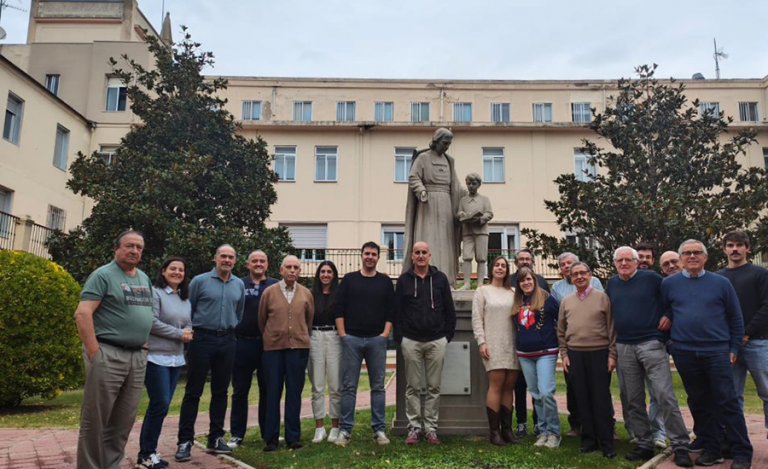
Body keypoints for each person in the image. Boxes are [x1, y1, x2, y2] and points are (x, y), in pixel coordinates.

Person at [661, 239, 753, 469]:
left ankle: (742, 452)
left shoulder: (721, 283)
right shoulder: (669, 284)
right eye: (687, 253)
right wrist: (671, 344)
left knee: (728, 402)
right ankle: (713, 450)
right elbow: (665, 314)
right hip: (685, 352)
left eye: (697, 253)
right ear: (681, 258)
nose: (692, 256)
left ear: (705, 257)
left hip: (716, 351)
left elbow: (736, 317)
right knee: (700, 402)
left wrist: (733, 348)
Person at [74, 230, 153, 469]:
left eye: (139, 247)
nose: (135, 251)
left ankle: (111, 465)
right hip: (107, 354)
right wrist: (94, 352)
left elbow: (144, 313)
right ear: (116, 248)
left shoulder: (143, 278)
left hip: (136, 357)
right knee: (95, 420)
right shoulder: (103, 275)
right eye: (129, 246)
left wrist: (144, 343)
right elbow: (83, 313)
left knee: (123, 421)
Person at [606, 247, 692, 467]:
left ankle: (680, 444)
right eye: (619, 260)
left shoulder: (652, 279)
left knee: (664, 395)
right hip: (624, 344)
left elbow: (673, 301)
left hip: (651, 342)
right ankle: (644, 442)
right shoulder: (612, 283)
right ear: (615, 263)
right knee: (632, 398)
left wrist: (668, 315)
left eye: (628, 260)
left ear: (637, 262)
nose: (624, 263)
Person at [175, 244, 245, 462]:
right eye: (223, 256)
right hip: (202, 339)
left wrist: (229, 329)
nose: (227, 260)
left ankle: (215, 437)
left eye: (231, 257)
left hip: (227, 339)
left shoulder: (239, 284)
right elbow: (189, 309)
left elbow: (239, 312)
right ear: (215, 258)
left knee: (221, 391)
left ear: (235, 260)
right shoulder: (200, 281)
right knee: (193, 391)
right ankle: (184, 441)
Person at [334, 242, 395, 447]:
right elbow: (339, 309)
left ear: (378, 258)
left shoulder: (385, 282)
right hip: (351, 339)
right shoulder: (349, 280)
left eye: (374, 254)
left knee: (378, 387)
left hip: (377, 340)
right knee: (349, 387)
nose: (370, 257)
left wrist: (384, 335)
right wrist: (343, 335)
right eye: (367, 253)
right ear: (361, 255)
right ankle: (345, 430)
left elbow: (390, 311)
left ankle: (379, 430)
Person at [395, 241, 457, 445]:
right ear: (412, 256)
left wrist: (446, 336)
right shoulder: (404, 280)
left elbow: (449, 310)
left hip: (436, 341)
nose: (420, 255)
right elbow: (397, 311)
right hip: (411, 341)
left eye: (424, 252)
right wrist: (401, 337)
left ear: (430, 255)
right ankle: (413, 428)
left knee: (433, 387)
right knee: (412, 387)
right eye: (417, 252)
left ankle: (430, 428)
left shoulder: (440, 279)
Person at [137, 257, 193, 469]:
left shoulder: (184, 298)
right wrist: (180, 334)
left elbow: (189, 320)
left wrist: (187, 331)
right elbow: (152, 323)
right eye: (173, 269)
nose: (177, 272)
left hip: (176, 358)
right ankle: (146, 454)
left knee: (162, 406)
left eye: (181, 269)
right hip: (156, 357)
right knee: (159, 404)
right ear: (163, 271)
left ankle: (149, 452)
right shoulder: (155, 293)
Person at [557, 262, 617, 459]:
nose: (579, 277)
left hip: (599, 353)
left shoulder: (602, 298)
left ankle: (607, 443)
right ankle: (589, 440)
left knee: (601, 399)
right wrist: (564, 355)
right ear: (571, 278)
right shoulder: (566, 301)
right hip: (575, 355)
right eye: (575, 274)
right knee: (582, 398)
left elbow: (611, 328)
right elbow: (561, 331)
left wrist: (611, 354)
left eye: (583, 273)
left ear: (590, 275)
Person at [258, 255, 314, 452]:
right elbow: (262, 320)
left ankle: (293, 437)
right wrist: (272, 336)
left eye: (296, 267)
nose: (292, 270)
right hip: (273, 349)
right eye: (288, 267)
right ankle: (271, 438)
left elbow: (308, 321)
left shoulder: (306, 293)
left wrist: (299, 336)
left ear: (300, 271)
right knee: (272, 392)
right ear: (281, 270)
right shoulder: (269, 292)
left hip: (298, 350)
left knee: (294, 393)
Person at [718, 231, 768, 440]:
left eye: (740, 245)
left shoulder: (760, 274)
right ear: (724, 249)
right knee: (732, 396)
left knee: (766, 392)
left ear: (748, 248)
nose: (735, 249)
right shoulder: (718, 277)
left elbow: (766, 307)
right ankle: (736, 440)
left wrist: (746, 333)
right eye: (730, 245)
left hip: (758, 342)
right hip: (729, 346)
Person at [403, 128, 466, 287]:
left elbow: (456, 186)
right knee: (427, 238)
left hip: (446, 203)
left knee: (446, 241)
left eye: (449, 144)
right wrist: (421, 190)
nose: (446, 146)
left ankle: (445, 278)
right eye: (445, 143)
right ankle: (424, 275)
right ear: (436, 140)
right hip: (427, 204)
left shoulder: (448, 161)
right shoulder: (423, 158)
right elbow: (413, 177)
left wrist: (470, 196)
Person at [228, 250, 279, 449]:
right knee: (240, 390)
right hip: (242, 343)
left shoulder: (275, 285)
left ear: (267, 264)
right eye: (254, 261)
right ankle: (237, 434)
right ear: (248, 264)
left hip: (267, 345)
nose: (258, 264)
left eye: (262, 261)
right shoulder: (238, 284)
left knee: (268, 390)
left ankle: (268, 432)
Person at [550, 251, 603, 437]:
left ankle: (604, 425)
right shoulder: (557, 287)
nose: (566, 266)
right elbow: (560, 317)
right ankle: (577, 425)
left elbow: (602, 309)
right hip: (572, 344)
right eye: (563, 264)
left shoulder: (595, 282)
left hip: (596, 344)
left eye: (570, 262)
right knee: (573, 387)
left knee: (599, 388)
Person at [471, 255, 520, 446]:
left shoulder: (514, 291)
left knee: (509, 386)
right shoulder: (483, 291)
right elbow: (477, 319)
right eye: (497, 265)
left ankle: (507, 430)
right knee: (497, 385)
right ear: (491, 269)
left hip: (513, 344)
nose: (500, 268)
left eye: (504, 266)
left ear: (507, 270)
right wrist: (482, 342)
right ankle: (494, 432)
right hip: (493, 344)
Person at [513, 267, 561, 449]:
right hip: (524, 354)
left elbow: (561, 320)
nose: (526, 283)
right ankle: (543, 431)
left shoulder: (547, 300)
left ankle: (554, 432)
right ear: (518, 284)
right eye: (522, 280)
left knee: (546, 392)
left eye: (529, 279)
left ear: (534, 280)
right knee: (536, 395)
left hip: (546, 351)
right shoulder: (517, 301)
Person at [508, 248, 549, 436]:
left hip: (538, 343)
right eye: (521, 259)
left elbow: (548, 311)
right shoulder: (509, 281)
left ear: (533, 262)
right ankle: (521, 422)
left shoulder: (541, 281)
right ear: (516, 263)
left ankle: (538, 423)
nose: (525, 261)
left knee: (538, 387)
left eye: (528, 259)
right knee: (520, 385)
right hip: (519, 342)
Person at [308, 261, 342, 443]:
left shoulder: (340, 294)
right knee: (317, 386)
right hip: (315, 337)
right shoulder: (311, 295)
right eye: (323, 271)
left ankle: (335, 427)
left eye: (329, 271)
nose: (326, 275)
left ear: (334, 275)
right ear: (318, 274)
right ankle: (319, 427)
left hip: (335, 337)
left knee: (336, 385)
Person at [457, 173, 493, 290]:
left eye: (474, 183)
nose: (471, 186)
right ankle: (466, 283)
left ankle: (480, 284)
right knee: (466, 257)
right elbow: (459, 212)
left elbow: (489, 213)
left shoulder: (484, 199)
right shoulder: (463, 200)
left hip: (481, 231)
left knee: (481, 258)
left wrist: (481, 219)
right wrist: (461, 214)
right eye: (469, 184)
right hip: (467, 231)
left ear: (479, 185)